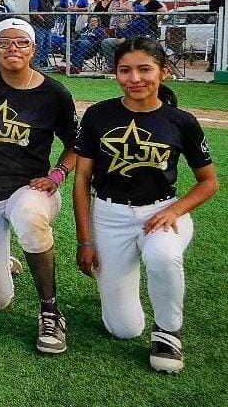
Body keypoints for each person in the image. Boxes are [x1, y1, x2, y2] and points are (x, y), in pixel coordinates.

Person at [73, 37, 217, 373]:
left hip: (161, 212)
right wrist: (85, 239)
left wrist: (175, 210)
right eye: (125, 70)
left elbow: (208, 182)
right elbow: (81, 181)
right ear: (116, 73)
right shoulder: (98, 115)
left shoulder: (181, 121)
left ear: (163, 72)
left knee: (162, 254)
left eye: (144, 69)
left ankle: (168, 331)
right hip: (109, 215)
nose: (135, 78)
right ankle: (127, 287)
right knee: (123, 329)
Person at [0, 17, 78, 355]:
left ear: (34, 49)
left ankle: (50, 310)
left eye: (22, 42)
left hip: (30, 189)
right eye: (4, 42)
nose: (13, 48)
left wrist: (58, 175)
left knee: (27, 215)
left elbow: (76, 145)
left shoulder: (54, 93)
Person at [28, 0, 57, 70]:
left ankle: (43, 62)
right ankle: (36, 65)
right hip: (39, 26)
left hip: (48, 26)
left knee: (47, 45)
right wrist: (44, 20)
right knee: (39, 45)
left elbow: (52, 9)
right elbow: (34, 12)